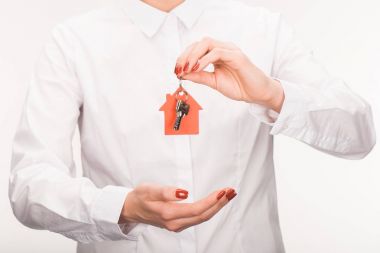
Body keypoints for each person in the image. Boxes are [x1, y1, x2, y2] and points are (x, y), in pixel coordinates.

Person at [9, 0, 376, 252]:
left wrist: (272, 94)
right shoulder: (75, 41)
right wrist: (121, 206)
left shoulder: (262, 29)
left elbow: (359, 133)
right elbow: (29, 185)